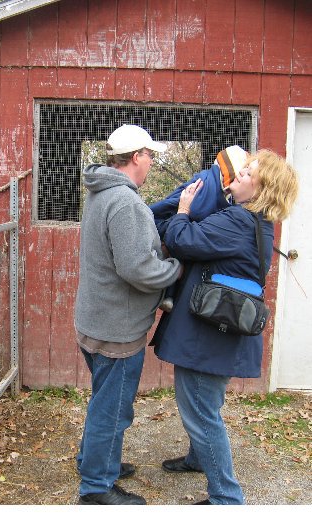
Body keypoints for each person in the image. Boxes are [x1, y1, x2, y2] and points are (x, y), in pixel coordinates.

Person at [150, 149, 299, 505]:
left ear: (263, 190)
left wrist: (183, 209)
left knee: (200, 410)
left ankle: (226, 498)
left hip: (209, 334)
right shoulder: (259, 223)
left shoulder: (237, 221)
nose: (238, 176)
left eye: (248, 174)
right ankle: (198, 458)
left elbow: (181, 240)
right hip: (221, 329)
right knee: (207, 403)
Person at [74, 124, 183, 505]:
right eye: (150, 155)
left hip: (94, 319)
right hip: (117, 329)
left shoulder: (101, 193)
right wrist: (176, 270)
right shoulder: (126, 202)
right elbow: (138, 269)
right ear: (137, 157)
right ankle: (96, 488)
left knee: (104, 398)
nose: (152, 161)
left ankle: (94, 459)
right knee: (114, 409)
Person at [150, 145, 249, 311]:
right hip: (175, 226)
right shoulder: (205, 184)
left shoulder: (232, 207)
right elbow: (177, 208)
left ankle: (169, 294)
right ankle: (168, 293)